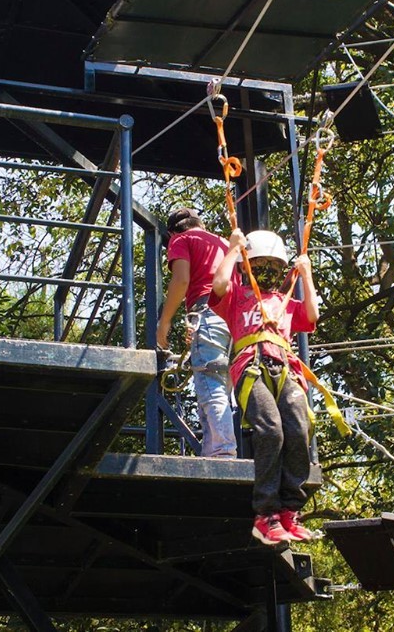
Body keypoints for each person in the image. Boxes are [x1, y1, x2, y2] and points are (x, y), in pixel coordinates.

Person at [210, 228, 318, 545]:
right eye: (258, 266)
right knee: (270, 429)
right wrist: (232, 250)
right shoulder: (237, 297)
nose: (265, 273)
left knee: (299, 427)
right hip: (250, 366)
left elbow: (312, 315)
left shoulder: (285, 301)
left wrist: (306, 274)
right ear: (247, 268)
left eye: (272, 267)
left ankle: (290, 512)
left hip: (284, 366)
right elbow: (217, 285)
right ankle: (265, 514)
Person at [156, 208, 237, 458]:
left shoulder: (181, 240)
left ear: (171, 233)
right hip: (233, 318)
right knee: (219, 386)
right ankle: (212, 452)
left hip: (207, 311)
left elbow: (181, 280)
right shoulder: (224, 242)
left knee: (210, 383)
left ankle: (223, 452)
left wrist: (164, 322)